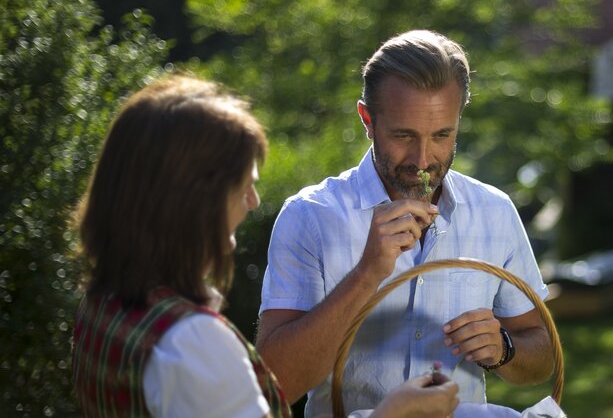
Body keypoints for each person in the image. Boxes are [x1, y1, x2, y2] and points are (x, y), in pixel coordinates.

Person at [70, 75, 459, 418]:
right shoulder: (193, 341)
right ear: (192, 199)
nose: (253, 201)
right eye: (244, 185)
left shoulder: (105, 303)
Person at [256, 30, 554, 417]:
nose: (423, 158)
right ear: (367, 119)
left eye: (442, 135)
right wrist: (367, 273)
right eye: (403, 135)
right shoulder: (310, 215)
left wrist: (504, 349)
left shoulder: (493, 211)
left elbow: (543, 356)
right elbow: (272, 384)